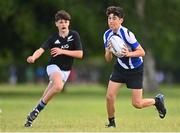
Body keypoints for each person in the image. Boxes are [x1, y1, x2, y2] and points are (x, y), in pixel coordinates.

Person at [103, 6, 166, 128]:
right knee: (109, 96)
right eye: (109, 18)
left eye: (114, 18)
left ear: (121, 20)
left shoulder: (127, 34)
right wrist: (109, 51)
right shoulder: (106, 35)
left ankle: (157, 101)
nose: (111, 21)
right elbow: (108, 59)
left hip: (135, 69)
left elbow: (142, 52)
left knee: (137, 104)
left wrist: (128, 54)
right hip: (120, 68)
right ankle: (112, 123)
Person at [24, 10, 83, 127]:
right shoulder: (53, 38)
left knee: (45, 96)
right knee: (58, 86)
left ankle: (33, 114)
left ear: (69, 23)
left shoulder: (74, 35)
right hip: (53, 67)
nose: (63, 24)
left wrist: (62, 51)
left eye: (66, 22)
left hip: (66, 71)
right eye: (61, 22)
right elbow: (41, 49)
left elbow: (80, 54)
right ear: (56, 24)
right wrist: (33, 57)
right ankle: (35, 111)